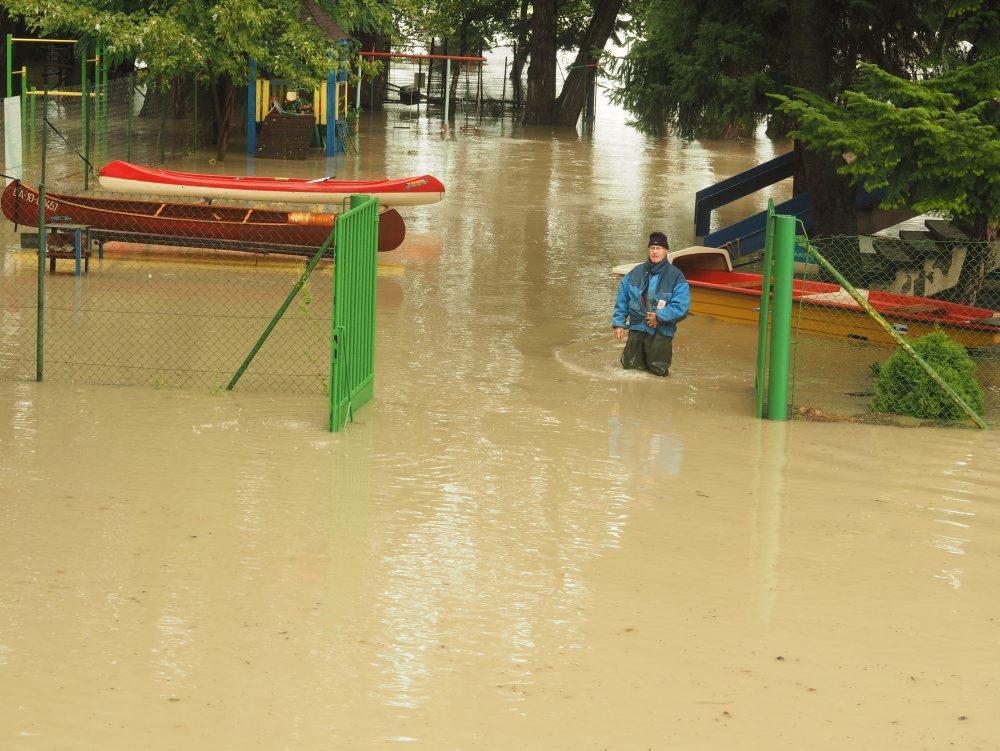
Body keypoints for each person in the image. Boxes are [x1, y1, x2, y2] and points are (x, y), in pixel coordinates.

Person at [611, 231, 691, 376]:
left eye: (659, 248)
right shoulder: (635, 272)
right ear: (648, 250)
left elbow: (682, 307)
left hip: (661, 332)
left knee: (658, 374)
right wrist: (618, 323)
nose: (655, 252)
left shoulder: (676, 276)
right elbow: (622, 299)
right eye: (652, 248)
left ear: (666, 250)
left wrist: (659, 317)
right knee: (630, 371)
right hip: (637, 328)